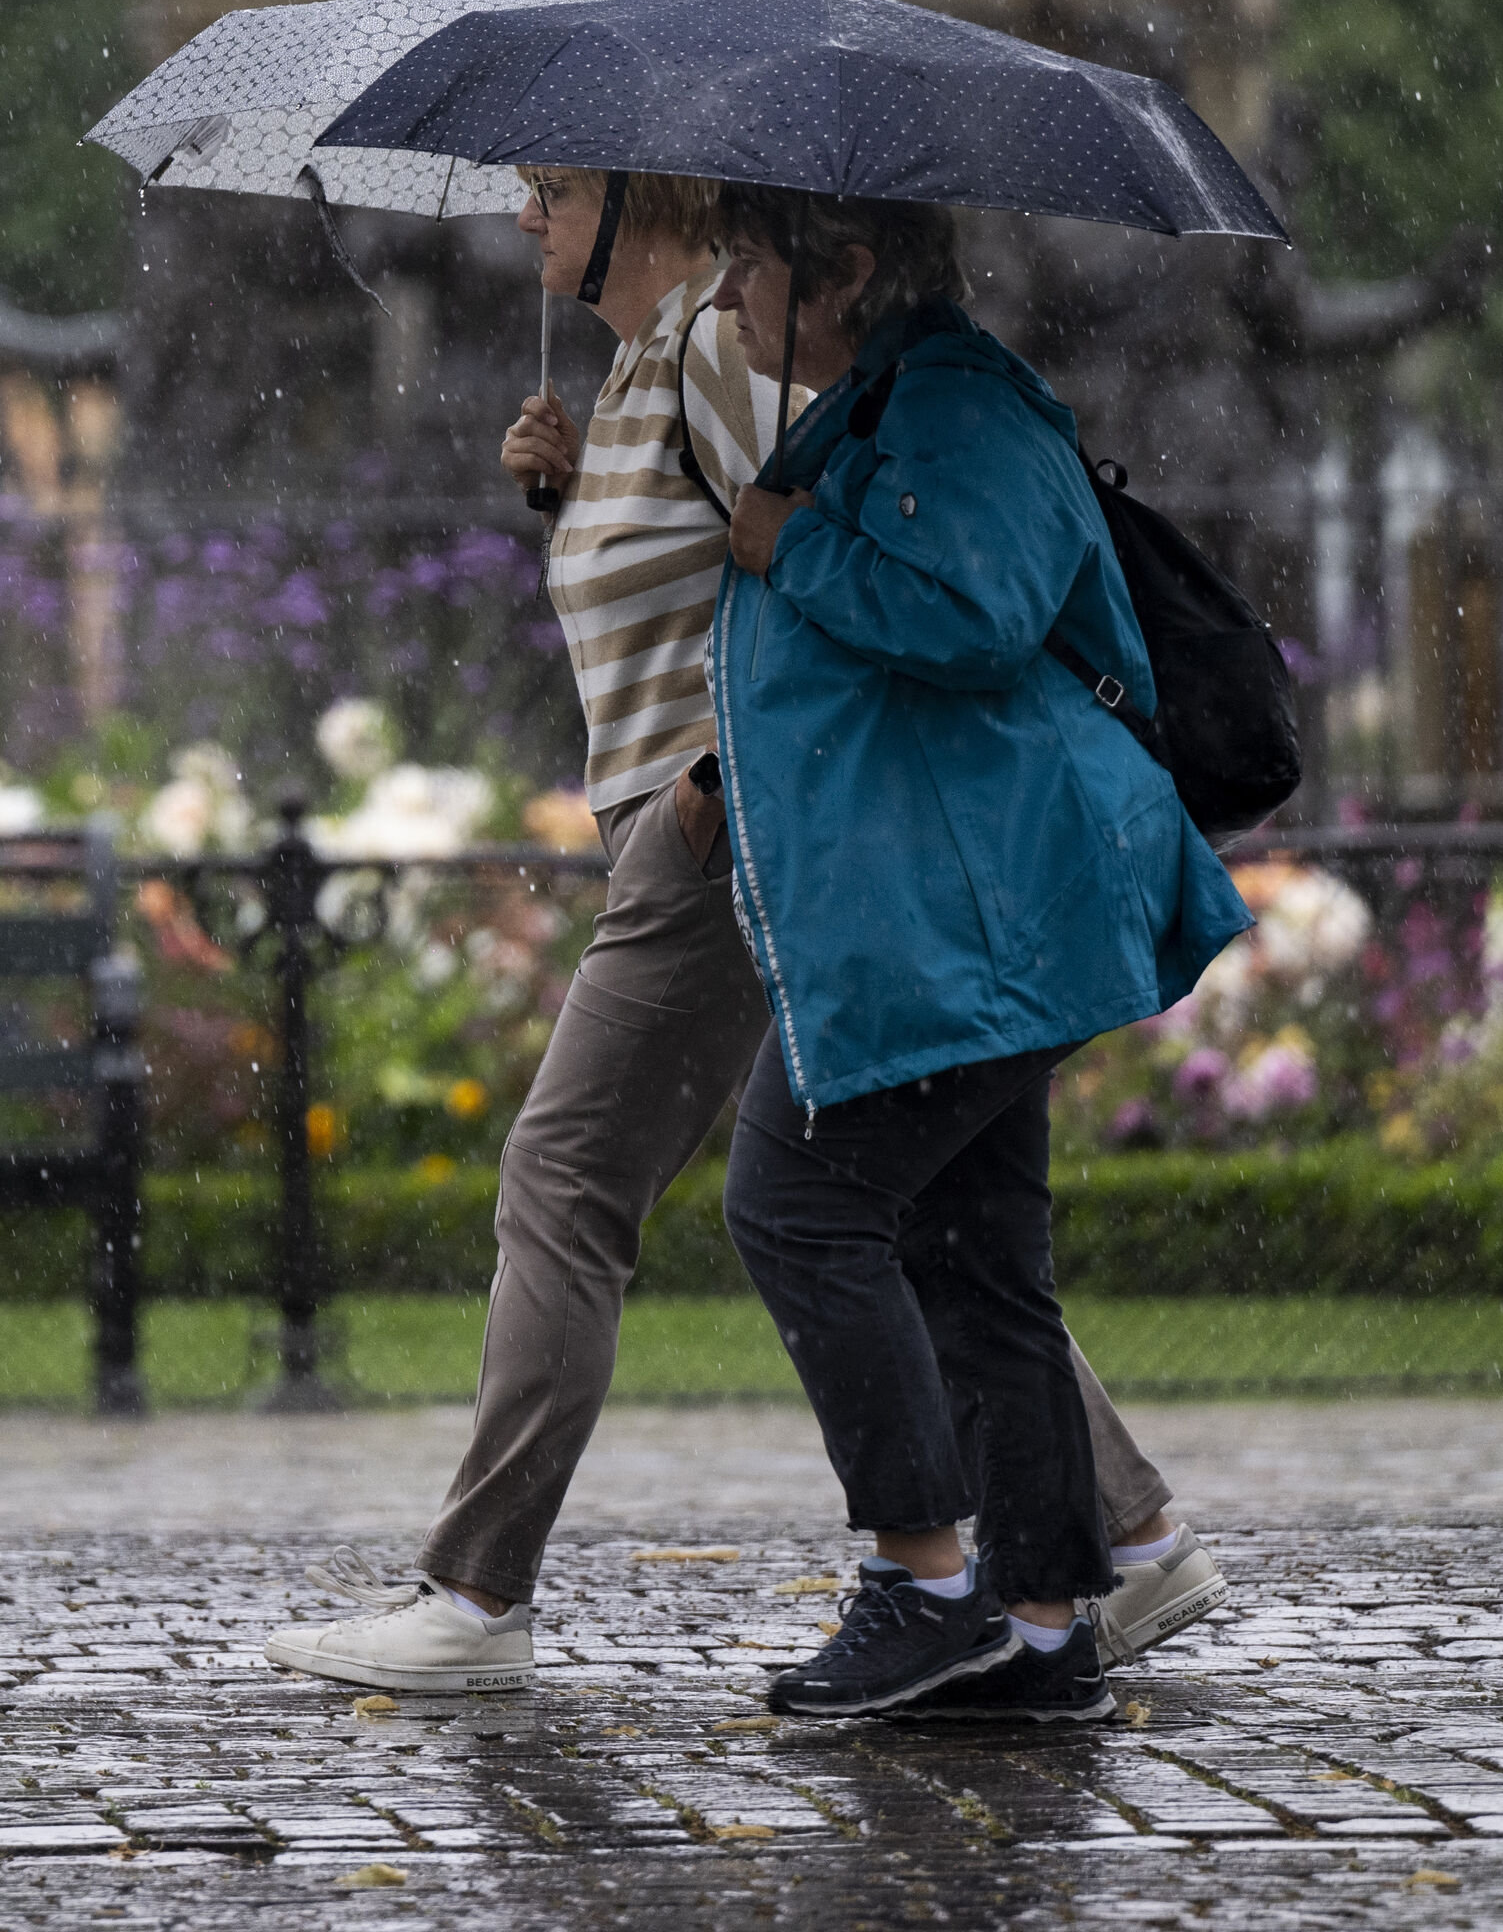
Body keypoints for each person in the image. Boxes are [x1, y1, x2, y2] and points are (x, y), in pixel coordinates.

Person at [261, 163, 1222, 1699]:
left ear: (646, 206)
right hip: (698, 822)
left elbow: (827, 560)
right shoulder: (657, 361)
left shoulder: (727, 350)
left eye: (553, 188)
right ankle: (1115, 1539)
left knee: (591, 1179)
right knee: (921, 1206)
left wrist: (714, 784)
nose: (525, 216)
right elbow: (722, 569)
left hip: (717, 836)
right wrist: (578, 497)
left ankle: (483, 1591)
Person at [706, 184, 1255, 1725]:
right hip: (969, 908)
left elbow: (976, 612)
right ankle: (1038, 1623)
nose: (733, 288)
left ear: (849, 270)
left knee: (799, 1201)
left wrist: (791, 545)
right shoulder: (894, 397)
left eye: (753, 258)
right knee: (975, 1258)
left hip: (988, 915)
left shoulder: (956, 403)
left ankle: (927, 1581)